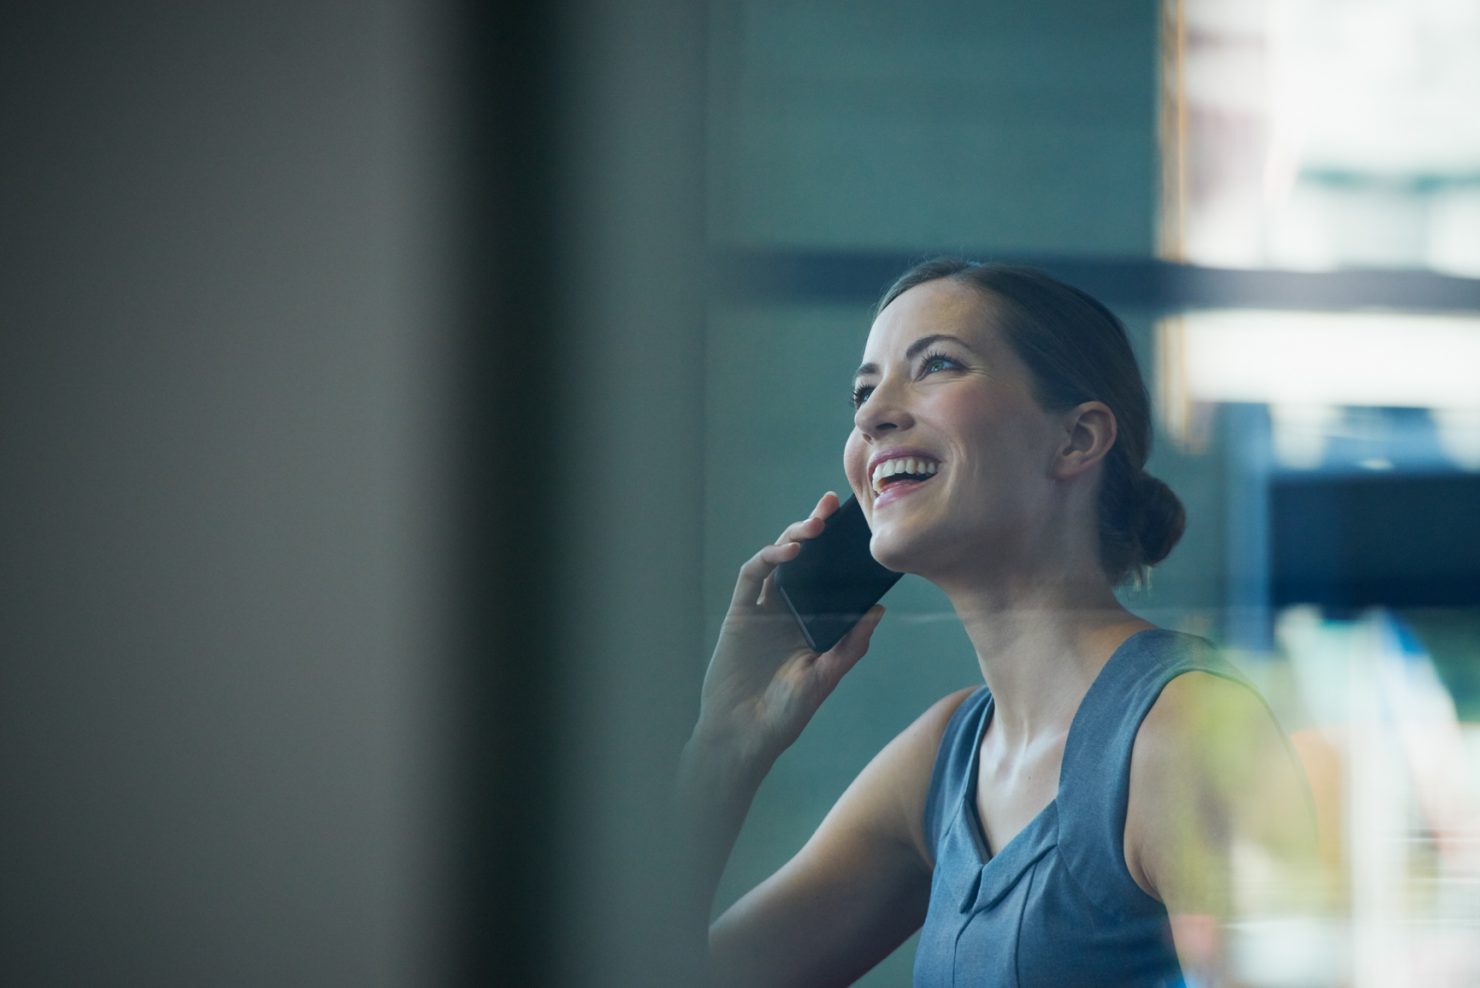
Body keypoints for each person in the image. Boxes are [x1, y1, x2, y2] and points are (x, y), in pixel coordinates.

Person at [675, 259, 1316, 986]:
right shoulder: (944, 760)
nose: (871, 413)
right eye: (863, 389)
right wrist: (726, 744)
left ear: (1076, 440)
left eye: (937, 365)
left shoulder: (1185, 734)